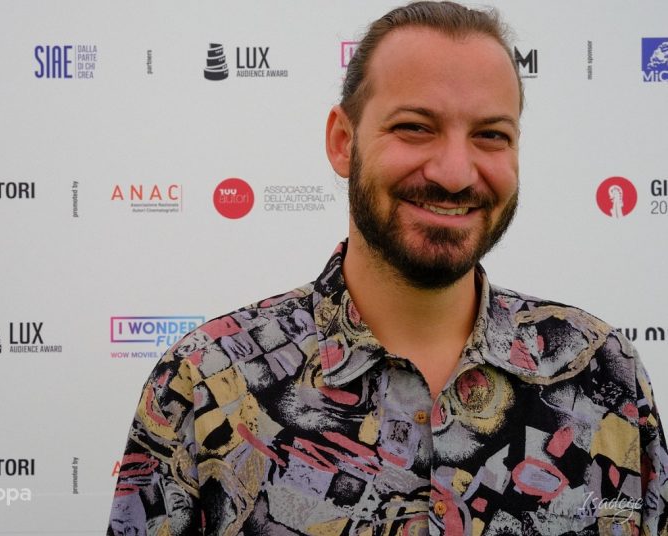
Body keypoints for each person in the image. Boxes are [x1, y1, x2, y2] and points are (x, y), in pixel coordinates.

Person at [108, 2, 668, 534]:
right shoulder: (204, 382)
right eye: (415, 127)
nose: (454, 172)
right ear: (342, 141)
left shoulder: (600, 372)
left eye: (490, 136)